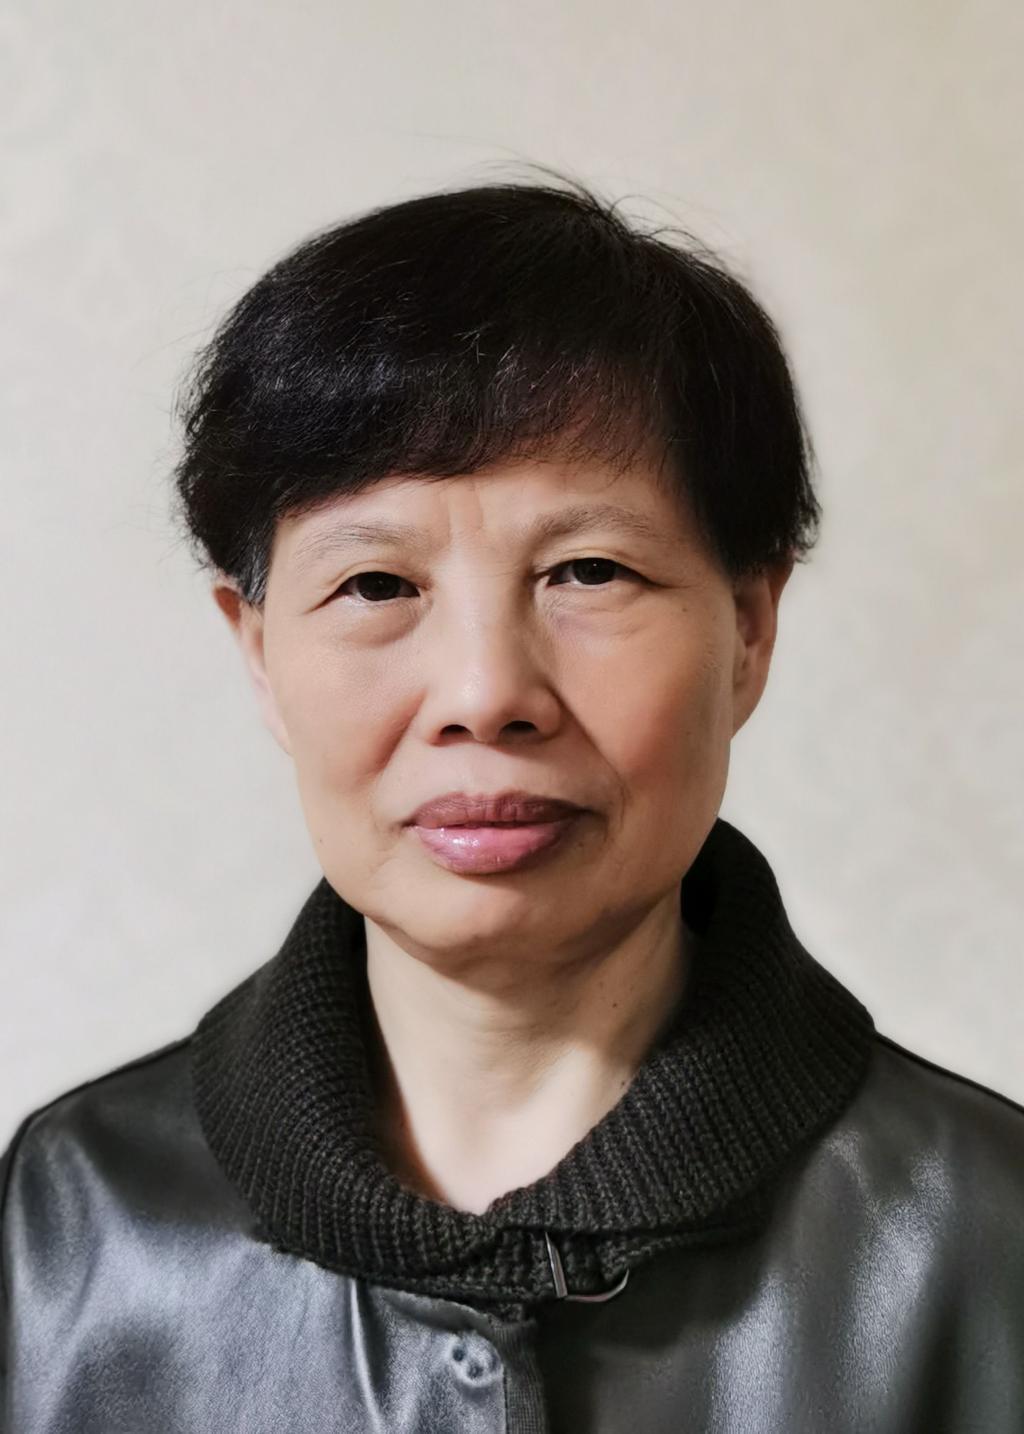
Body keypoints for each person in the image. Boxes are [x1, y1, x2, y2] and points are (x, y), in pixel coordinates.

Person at [1, 175, 1021, 1434]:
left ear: (750, 628)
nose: (486, 695)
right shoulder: (68, 1228)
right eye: (377, 585)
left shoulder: (987, 1237)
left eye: (588, 571)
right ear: (256, 649)